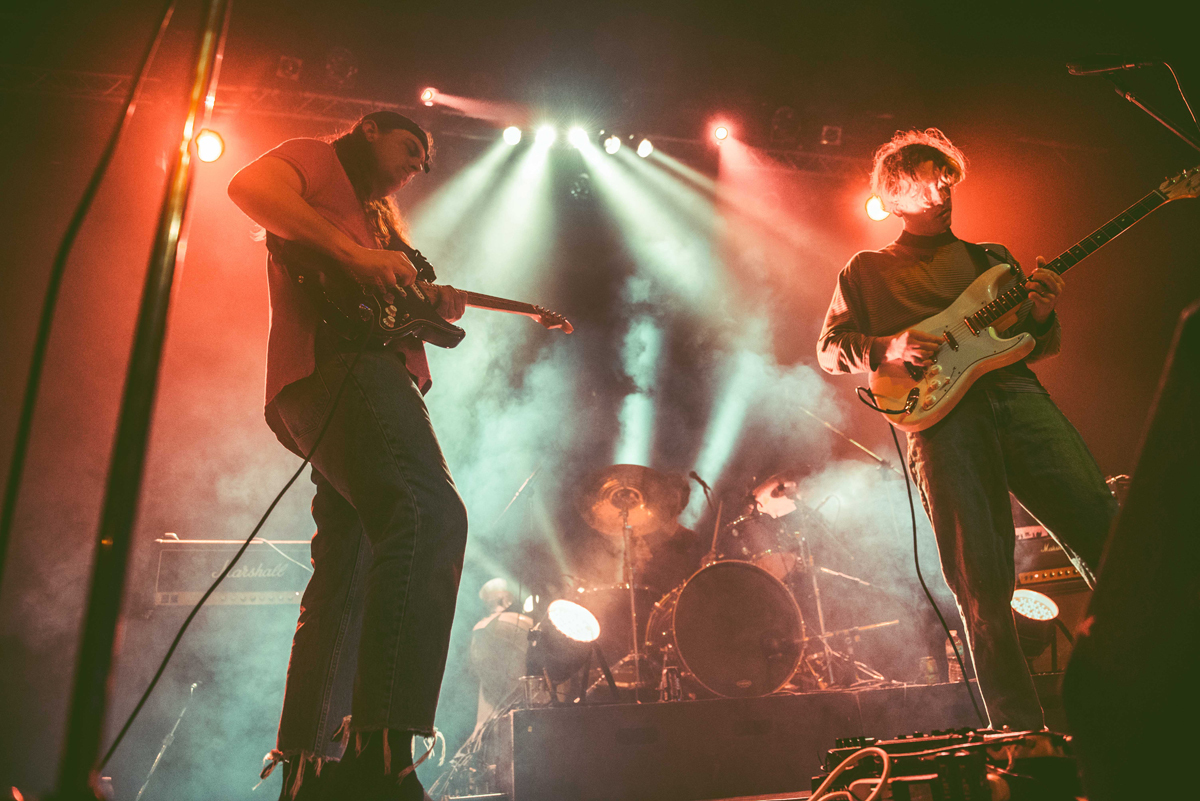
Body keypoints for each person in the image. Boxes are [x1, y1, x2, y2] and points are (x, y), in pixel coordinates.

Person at [816, 128, 1117, 730]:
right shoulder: (868, 270)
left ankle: (1133, 687)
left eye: (946, 177)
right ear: (895, 196)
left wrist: (1040, 312)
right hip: (944, 422)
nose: (942, 191)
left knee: (1107, 534)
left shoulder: (993, 259)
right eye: (927, 182)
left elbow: (1033, 345)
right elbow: (829, 350)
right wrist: (889, 345)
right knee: (982, 582)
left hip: (1017, 397)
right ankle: (1019, 734)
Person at [228, 111, 469, 800]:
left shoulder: (375, 222)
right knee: (427, 513)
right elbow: (249, 186)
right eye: (409, 148)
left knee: (352, 565)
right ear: (369, 130)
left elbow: (389, 310)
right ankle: (381, 756)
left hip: (331, 383)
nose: (415, 167)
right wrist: (359, 257)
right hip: (345, 372)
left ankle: (311, 767)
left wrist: (431, 306)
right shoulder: (315, 159)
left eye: (424, 162)